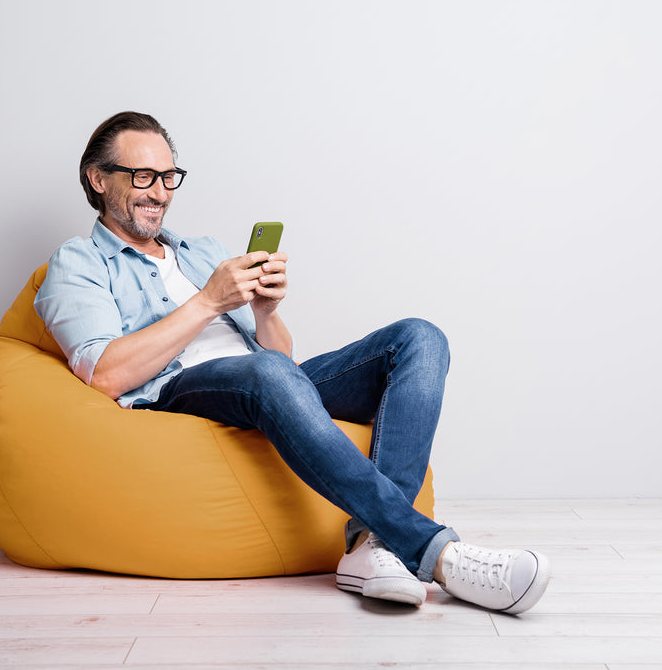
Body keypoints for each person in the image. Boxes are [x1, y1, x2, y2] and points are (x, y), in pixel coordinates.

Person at [34, 111, 551, 614]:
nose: (161, 192)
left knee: (419, 338)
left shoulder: (202, 251)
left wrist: (264, 311)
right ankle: (437, 553)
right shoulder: (77, 261)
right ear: (97, 179)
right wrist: (210, 302)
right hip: (178, 391)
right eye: (143, 176)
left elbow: (282, 366)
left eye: (169, 176)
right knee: (269, 375)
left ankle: (373, 546)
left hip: (264, 382)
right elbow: (104, 374)